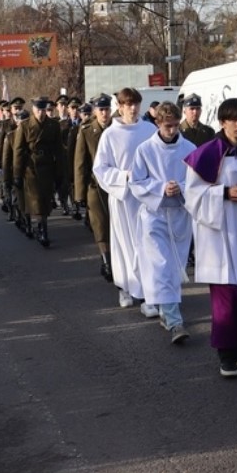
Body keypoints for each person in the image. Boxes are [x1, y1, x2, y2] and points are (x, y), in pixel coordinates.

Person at [183, 98, 237, 378]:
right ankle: (225, 353)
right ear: (222, 123)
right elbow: (192, 195)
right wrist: (224, 193)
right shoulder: (206, 153)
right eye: (233, 119)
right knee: (225, 295)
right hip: (218, 232)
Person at [128, 102, 196, 343]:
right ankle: (175, 321)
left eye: (176, 126)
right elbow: (135, 183)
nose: (173, 131)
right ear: (158, 123)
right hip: (154, 216)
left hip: (179, 214)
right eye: (168, 126)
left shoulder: (189, 148)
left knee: (175, 268)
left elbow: (198, 182)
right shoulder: (145, 150)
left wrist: (183, 187)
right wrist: (159, 188)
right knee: (162, 265)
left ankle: (167, 312)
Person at [94, 88, 157, 310]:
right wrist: (124, 176)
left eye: (136, 104)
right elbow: (100, 168)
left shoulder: (150, 129)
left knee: (146, 244)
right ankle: (125, 287)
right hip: (123, 197)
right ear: (119, 107)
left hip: (146, 197)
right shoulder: (110, 135)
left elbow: (158, 159)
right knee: (125, 244)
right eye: (128, 104)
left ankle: (147, 292)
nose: (132, 108)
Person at [13, 97, 62, 247]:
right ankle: (42, 230)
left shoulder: (53, 125)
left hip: (48, 166)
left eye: (43, 110)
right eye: (38, 110)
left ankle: (42, 225)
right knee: (37, 200)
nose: (41, 113)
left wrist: (60, 171)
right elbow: (19, 151)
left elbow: (59, 150)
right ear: (33, 110)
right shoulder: (26, 126)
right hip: (31, 168)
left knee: (46, 200)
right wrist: (17, 174)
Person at [73, 96, 113, 279]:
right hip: (95, 186)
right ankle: (106, 261)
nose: (104, 113)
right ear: (95, 111)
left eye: (107, 109)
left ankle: (117, 259)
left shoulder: (117, 129)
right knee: (100, 224)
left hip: (115, 185)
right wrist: (79, 194)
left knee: (115, 225)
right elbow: (80, 163)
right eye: (101, 110)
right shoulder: (87, 131)